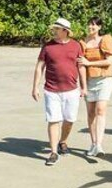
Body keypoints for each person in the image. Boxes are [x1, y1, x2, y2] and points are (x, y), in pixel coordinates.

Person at [31, 18, 87, 166]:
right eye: (54, 29)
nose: (54, 31)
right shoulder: (48, 47)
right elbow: (39, 67)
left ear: (65, 31)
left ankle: (63, 141)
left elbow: (81, 67)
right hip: (51, 90)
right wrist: (35, 87)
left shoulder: (76, 46)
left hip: (72, 90)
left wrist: (84, 86)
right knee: (53, 120)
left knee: (69, 120)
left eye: (56, 29)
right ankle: (53, 152)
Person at [78, 17, 112, 157]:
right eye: (89, 24)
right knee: (90, 113)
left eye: (94, 25)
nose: (90, 27)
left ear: (99, 27)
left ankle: (99, 144)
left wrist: (89, 63)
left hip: (104, 79)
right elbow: (80, 65)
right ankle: (93, 143)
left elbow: (109, 61)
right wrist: (83, 86)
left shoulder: (106, 40)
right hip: (89, 81)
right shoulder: (82, 42)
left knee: (101, 110)